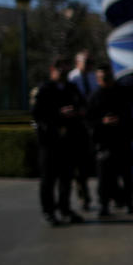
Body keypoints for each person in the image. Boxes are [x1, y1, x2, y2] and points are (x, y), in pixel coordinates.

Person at [86, 63, 133, 217]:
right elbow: (88, 120)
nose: (105, 80)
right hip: (104, 142)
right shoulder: (95, 96)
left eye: (107, 77)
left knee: (127, 174)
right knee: (105, 177)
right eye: (101, 78)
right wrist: (103, 122)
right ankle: (104, 205)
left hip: (123, 138)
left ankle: (129, 203)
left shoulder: (123, 91)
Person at [32, 55, 87, 226]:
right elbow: (37, 113)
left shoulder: (71, 88)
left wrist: (76, 112)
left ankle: (65, 209)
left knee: (66, 178)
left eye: (64, 69)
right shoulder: (45, 89)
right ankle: (49, 211)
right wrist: (58, 114)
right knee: (48, 178)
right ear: (52, 70)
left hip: (68, 141)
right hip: (49, 141)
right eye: (59, 69)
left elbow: (83, 105)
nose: (62, 73)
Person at [67, 49, 98, 211]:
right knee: (79, 166)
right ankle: (83, 197)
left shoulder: (94, 77)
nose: (90, 66)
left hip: (92, 124)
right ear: (77, 63)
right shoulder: (72, 78)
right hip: (77, 125)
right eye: (87, 63)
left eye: (91, 63)